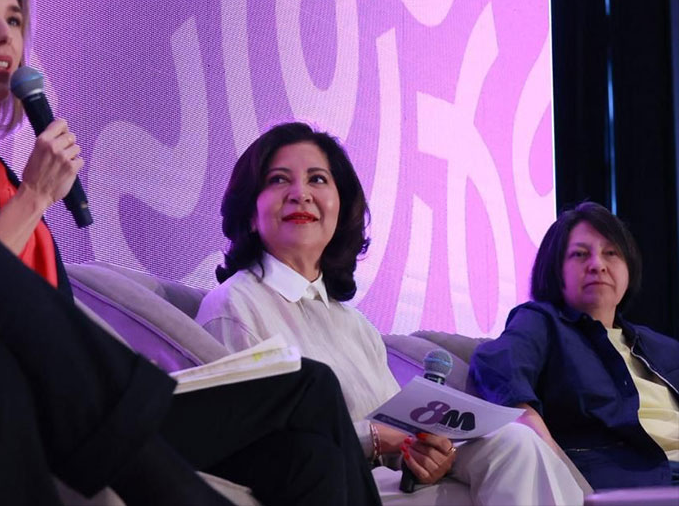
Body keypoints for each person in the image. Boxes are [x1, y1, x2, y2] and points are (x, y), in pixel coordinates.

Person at [0, 0, 382, 506]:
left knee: (309, 442)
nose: (3, 35)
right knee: (306, 389)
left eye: (15, 21)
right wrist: (34, 199)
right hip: (30, 396)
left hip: (76, 394)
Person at [195, 121, 587, 505]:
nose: (300, 193)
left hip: (391, 482)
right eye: (279, 180)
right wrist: (377, 439)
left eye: (317, 179)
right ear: (250, 212)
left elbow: (400, 436)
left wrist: (426, 455)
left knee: (517, 442)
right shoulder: (235, 306)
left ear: (340, 207)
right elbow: (254, 448)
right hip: (334, 488)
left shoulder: (355, 325)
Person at [469, 201, 679, 488]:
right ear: (556, 270)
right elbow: (498, 368)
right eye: (580, 254)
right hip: (638, 479)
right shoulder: (542, 322)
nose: (597, 265)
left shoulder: (661, 347)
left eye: (611, 253)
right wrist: (551, 456)